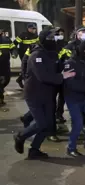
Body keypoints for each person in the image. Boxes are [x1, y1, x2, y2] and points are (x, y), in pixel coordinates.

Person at [13, 27, 75, 159]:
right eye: (51, 38)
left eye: (55, 37)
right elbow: (43, 76)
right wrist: (62, 76)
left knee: (47, 125)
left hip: (48, 93)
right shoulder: (37, 55)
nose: (53, 40)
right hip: (34, 94)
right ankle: (20, 136)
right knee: (40, 123)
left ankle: (34, 150)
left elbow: (59, 67)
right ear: (43, 39)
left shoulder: (52, 53)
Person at [14, 23, 39, 89]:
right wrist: (14, 51)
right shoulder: (23, 35)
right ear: (29, 29)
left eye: (35, 29)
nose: (34, 30)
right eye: (33, 29)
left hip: (31, 54)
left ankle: (20, 79)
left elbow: (38, 44)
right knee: (26, 67)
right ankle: (24, 82)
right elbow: (15, 43)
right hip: (23, 54)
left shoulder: (36, 36)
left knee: (29, 68)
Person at [0, 28, 17, 106]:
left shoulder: (6, 40)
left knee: (6, 80)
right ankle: (1, 99)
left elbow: (13, 48)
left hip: (5, 65)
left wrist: (14, 53)